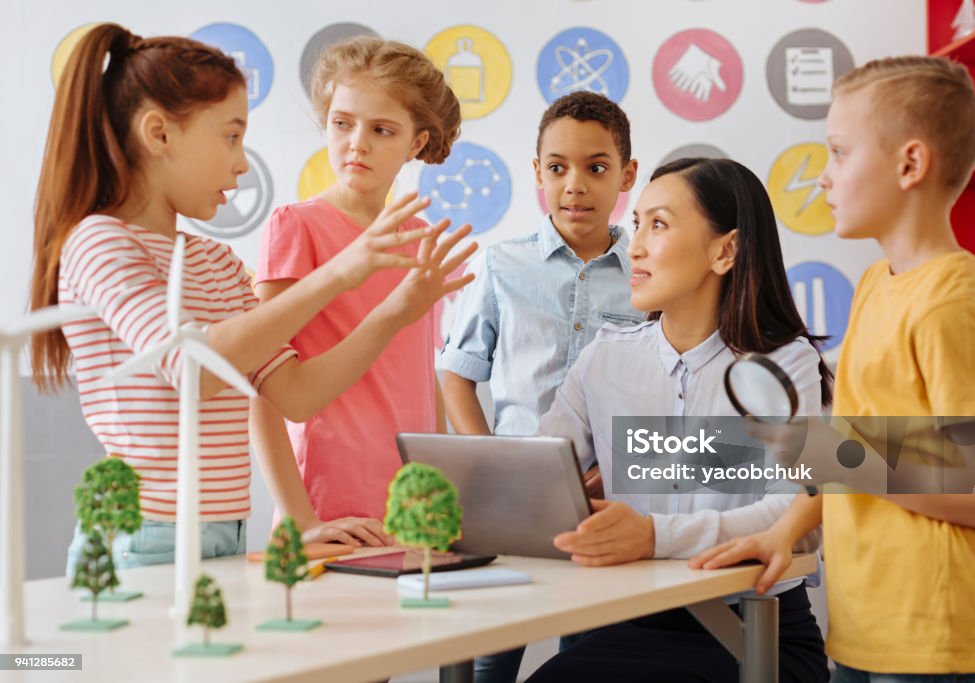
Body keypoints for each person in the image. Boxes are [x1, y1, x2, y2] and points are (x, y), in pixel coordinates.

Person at [27, 24, 472, 572]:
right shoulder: (100, 240)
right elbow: (192, 368)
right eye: (231, 137)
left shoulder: (215, 263)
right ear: (159, 134)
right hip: (146, 533)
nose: (242, 165)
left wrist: (392, 311)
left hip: (225, 531)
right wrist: (342, 274)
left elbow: (294, 394)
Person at [691, 57, 975, 683]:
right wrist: (784, 531)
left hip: (938, 636)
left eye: (839, 154)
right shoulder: (877, 284)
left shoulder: (954, 304)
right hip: (868, 625)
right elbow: (855, 444)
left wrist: (837, 451)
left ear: (910, 165)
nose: (822, 178)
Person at [527, 157, 831, 682]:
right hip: (630, 626)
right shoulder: (606, 358)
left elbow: (793, 513)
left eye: (659, 225)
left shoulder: (785, 363)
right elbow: (535, 474)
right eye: (638, 222)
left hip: (758, 634)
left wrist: (652, 536)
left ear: (725, 250)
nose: (635, 246)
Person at [438, 91, 641, 683]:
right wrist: (488, 461)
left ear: (627, 174)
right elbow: (457, 374)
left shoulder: (647, 276)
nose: (574, 185)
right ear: (537, 173)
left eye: (596, 168)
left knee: (586, 653)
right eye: (558, 168)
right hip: (510, 503)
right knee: (489, 654)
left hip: (603, 500)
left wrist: (619, 467)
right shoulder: (502, 265)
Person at [250, 37, 468, 545]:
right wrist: (301, 520)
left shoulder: (416, 241)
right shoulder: (297, 227)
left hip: (410, 514)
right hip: (331, 513)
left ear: (416, 143)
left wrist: (432, 486)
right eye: (342, 123)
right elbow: (261, 389)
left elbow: (418, 378)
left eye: (382, 129)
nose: (357, 143)